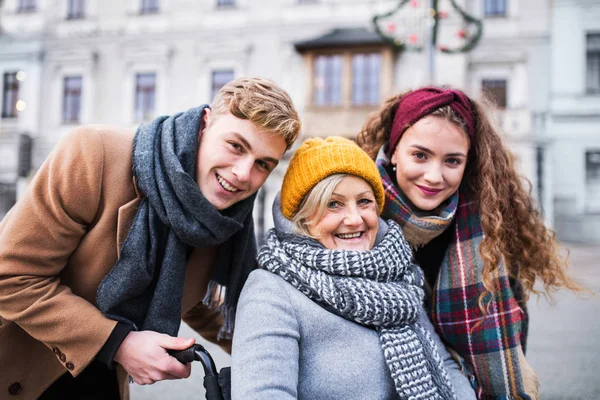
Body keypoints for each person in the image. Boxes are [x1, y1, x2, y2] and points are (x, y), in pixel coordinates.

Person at [0, 77, 301, 400]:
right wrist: (119, 343)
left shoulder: (224, 218)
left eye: (262, 164)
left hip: (102, 384)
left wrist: (288, 349)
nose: (243, 173)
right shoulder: (93, 152)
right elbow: (12, 276)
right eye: (236, 146)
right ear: (204, 124)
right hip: (17, 371)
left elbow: (193, 300)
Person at [356, 86, 583, 399]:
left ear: (467, 163)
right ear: (394, 151)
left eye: (452, 161)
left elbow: (509, 342)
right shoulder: (355, 215)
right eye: (420, 155)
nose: (434, 176)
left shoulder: (490, 230)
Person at [231, 136, 476, 399]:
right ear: (302, 218)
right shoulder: (271, 290)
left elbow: (446, 368)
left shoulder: (397, 276)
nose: (354, 218)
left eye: (364, 202)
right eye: (332, 204)